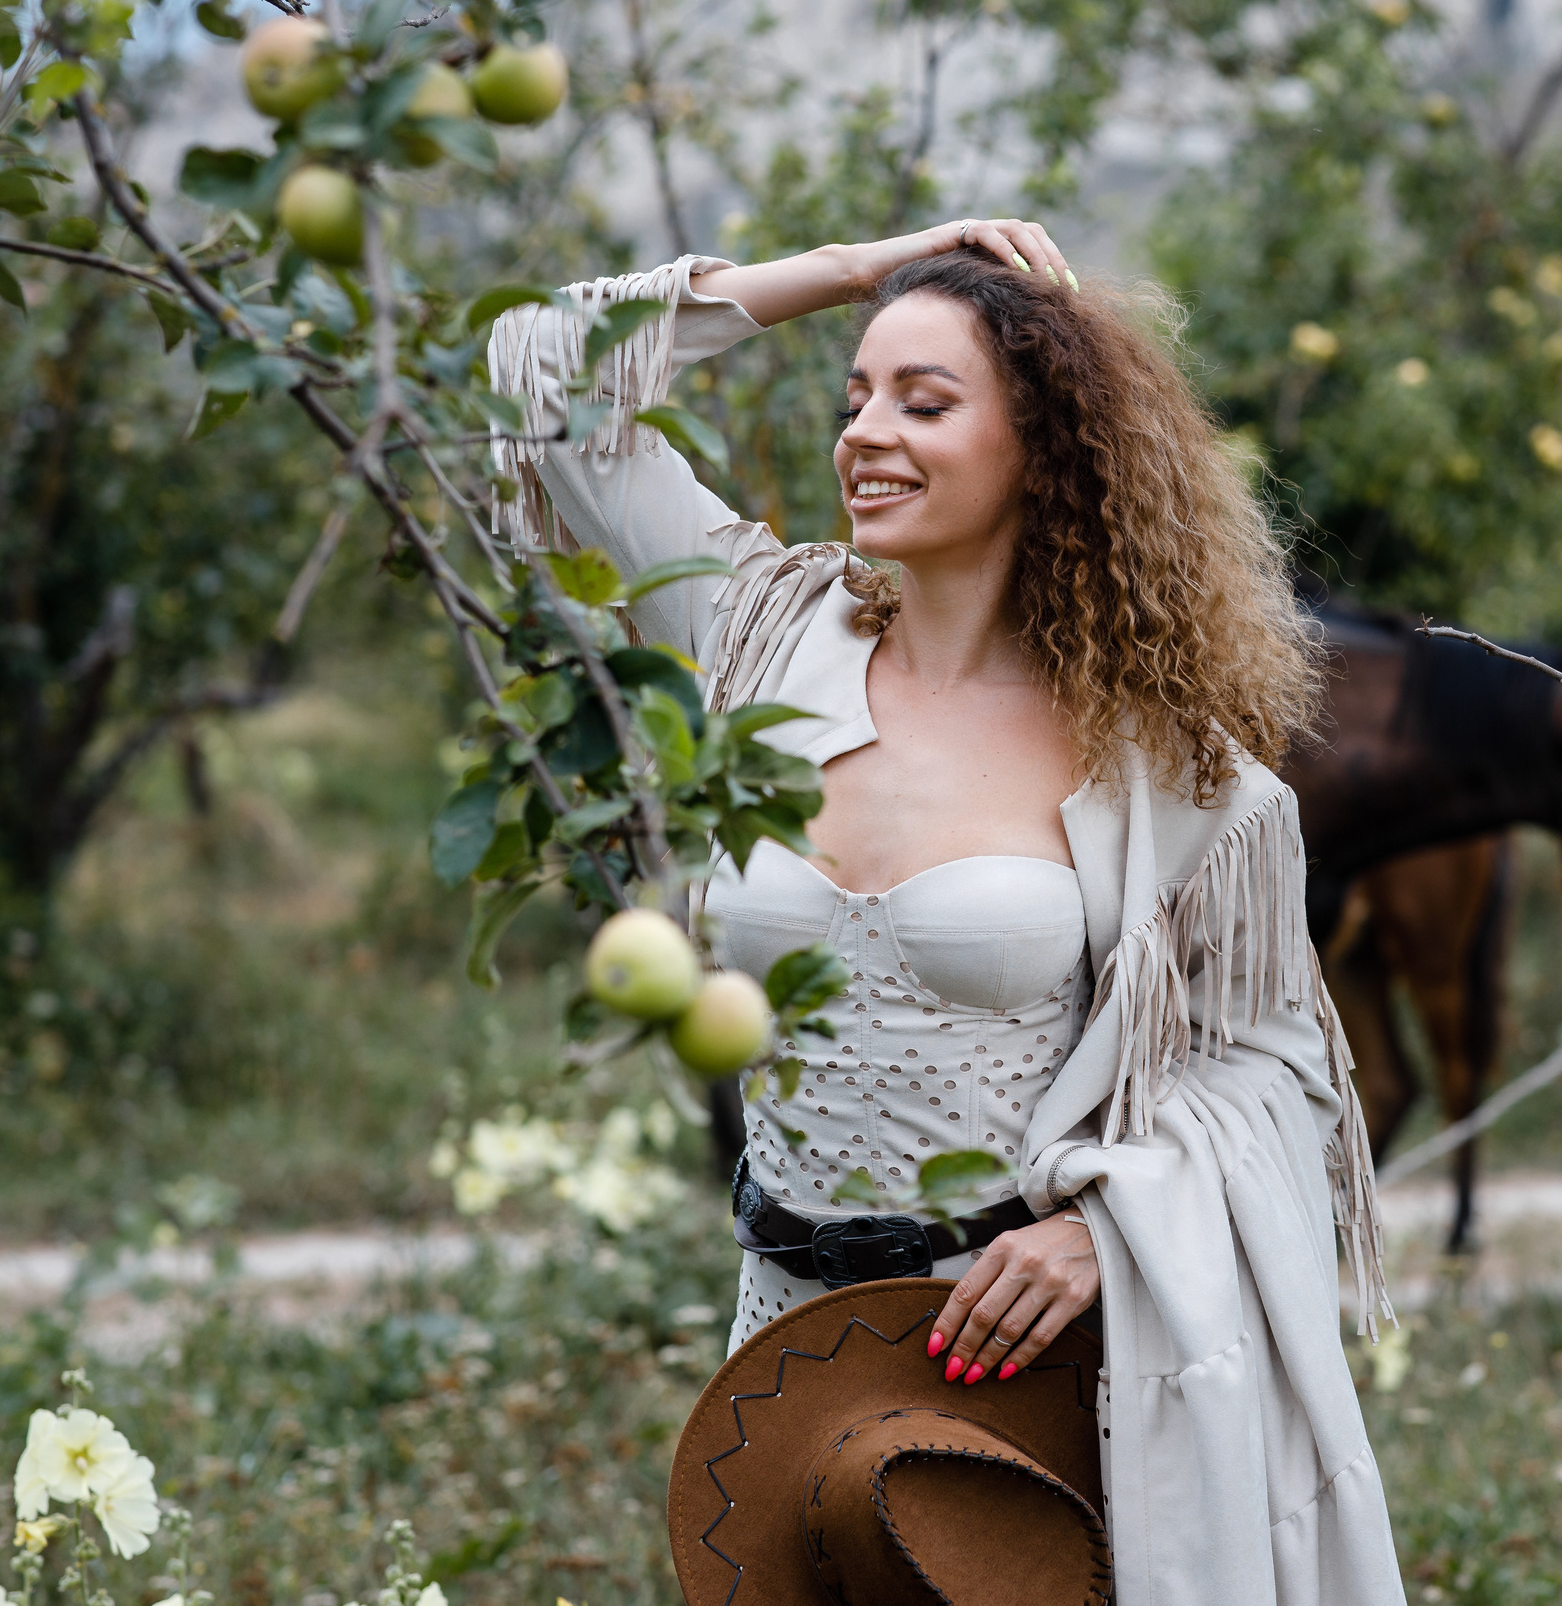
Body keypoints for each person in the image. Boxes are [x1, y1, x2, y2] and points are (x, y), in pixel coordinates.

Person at [489, 219, 1403, 1603]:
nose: (866, 431)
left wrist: (1104, 1235)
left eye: (925, 401)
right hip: (787, 1335)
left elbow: (1270, 1067)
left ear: (1046, 446)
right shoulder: (757, 630)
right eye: (854, 394)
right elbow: (535, 376)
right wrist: (868, 266)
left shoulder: (1166, 765)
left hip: (1025, 1361)